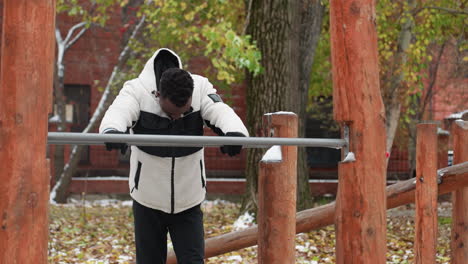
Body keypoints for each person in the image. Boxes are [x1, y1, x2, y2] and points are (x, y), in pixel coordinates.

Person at [99, 48, 249, 264]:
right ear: (158, 95)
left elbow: (220, 110)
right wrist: (113, 131)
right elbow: (119, 111)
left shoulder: (199, 87)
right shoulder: (136, 90)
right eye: (172, 113)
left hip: (189, 199)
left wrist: (235, 133)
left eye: (184, 112)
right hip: (147, 200)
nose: (178, 116)